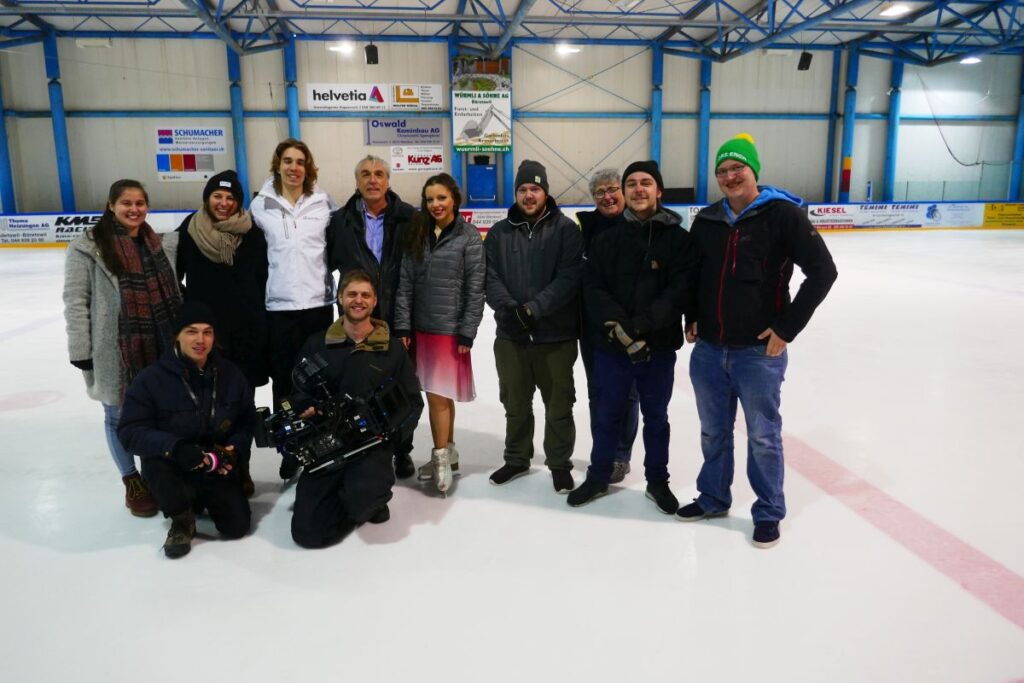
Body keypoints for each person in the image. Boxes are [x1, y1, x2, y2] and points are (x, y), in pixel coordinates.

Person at [679, 134, 837, 548]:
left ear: (754, 171)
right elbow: (695, 275)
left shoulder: (784, 215)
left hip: (758, 354)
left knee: (763, 436)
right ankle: (713, 497)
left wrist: (787, 327)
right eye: (723, 171)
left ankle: (768, 511)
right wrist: (692, 316)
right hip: (710, 350)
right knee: (713, 433)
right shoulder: (708, 219)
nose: (730, 177)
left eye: (738, 169)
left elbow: (823, 272)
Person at [568, 161, 695, 514]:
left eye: (646, 182)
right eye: (632, 184)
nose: (638, 189)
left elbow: (679, 291)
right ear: (624, 192)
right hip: (612, 348)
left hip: (658, 348)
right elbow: (593, 287)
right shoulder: (606, 239)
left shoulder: (679, 240)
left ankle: (658, 481)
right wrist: (621, 331)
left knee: (656, 417)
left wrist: (639, 328)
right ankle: (597, 477)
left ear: (659, 191)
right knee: (606, 414)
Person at [63, 179, 181, 518]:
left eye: (140, 203)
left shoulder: (156, 244)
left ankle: (156, 470)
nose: (134, 209)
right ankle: (132, 480)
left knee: (157, 411)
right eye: (126, 203)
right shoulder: (87, 248)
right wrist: (80, 347)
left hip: (158, 341)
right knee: (117, 415)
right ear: (111, 205)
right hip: (112, 347)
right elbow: (75, 301)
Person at [289, 270, 423, 548]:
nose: (358, 300)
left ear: (374, 301)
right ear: (340, 298)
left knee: (366, 499)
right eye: (351, 294)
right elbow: (298, 392)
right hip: (329, 445)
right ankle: (342, 493)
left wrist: (391, 438)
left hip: (371, 445)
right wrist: (306, 408)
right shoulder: (317, 344)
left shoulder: (393, 349)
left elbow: (413, 402)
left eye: (365, 295)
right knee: (307, 534)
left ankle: (367, 495)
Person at [118, 302, 254, 558]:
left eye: (207, 332)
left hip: (213, 465)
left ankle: (202, 499)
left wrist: (232, 451)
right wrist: (174, 448)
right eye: (191, 331)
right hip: (174, 466)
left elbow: (247, 421)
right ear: (177, 336)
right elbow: (129, 432)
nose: (200, 339)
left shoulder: (231, 375)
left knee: (237, 527)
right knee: (156, 466)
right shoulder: (151, 379)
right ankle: (181, 519)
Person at [484, 160, 583, 494]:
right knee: (515, 402)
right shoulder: (499, 233)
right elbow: (490, 275)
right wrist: (511, 310)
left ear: (545, 192)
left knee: (558, 404)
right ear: (516, 193)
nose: (529, 195)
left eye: (535, 189)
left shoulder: (566, 229)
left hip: (555, 336)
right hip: (511, 336)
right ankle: (516, 458)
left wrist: (533, 309)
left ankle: (558, 463)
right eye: (523, 189)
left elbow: (569, 277)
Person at [175, 169, 268, 497]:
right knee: (203, 405)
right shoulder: (189, 230)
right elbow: (174, 278)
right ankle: (204, 468)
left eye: (231, 198)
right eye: (218, 196)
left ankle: (239, 467)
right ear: (207, 198)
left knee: (240, 406)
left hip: (245, 335)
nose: (224, 203)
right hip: (205, 338)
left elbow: (263, 279)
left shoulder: (252, 232)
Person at [250, 139, 337, 478]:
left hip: (317, 306)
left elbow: (337, 246)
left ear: (308, 167)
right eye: (287, 161)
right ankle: (290, 446)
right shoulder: (261, 206)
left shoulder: (323, 202)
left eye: (300, 162)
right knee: (285, 383)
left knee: (319, 379)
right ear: (278, 165)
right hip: (279, 309)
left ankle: (322, 441)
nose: (294, 167)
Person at [393, 173, 485, 493]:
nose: (435, 204)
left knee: (436, 397)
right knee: (439, 396)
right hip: (421, 330)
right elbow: (405, 283)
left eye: (441, 198)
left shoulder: (468, 237)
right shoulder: (417, 233)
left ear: (454, 199)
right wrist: (403, 325)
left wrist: (467, 331)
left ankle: (441, 456)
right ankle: (450, 449)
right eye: (430, 199)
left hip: (449, 332)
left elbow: (476, 289)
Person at [327, 155, 417, 479]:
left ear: (388, 181)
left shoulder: (408, 218)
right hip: (357, 318)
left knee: (400, 390)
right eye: (365, 174)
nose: (372, 179)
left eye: (379, 174)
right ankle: (360, 449)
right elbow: (328, 265)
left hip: (398, 316)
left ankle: (402, 449)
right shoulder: (340, 221)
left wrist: (408, 320)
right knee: (357, 385)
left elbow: (417, 269)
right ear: (357, 181)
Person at [575, 168, 639, 484]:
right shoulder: (584, 228)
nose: (607, 196)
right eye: (599, 192)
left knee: (628, 393)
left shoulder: (640, 225)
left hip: (630, 327)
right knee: (597, 392)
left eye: (613, 188)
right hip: (592, 328)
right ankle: (603, 450)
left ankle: (621, 455)